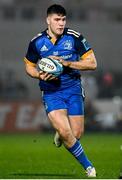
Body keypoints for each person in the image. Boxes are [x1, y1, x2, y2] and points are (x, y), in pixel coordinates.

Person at [24, 4, 97, 177]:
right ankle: (89, 167)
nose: (61, 23)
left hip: (73, 89)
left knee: (76, 134)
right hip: (51, 92)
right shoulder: (36, 42)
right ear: (48, 20)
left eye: (63, 19)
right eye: (57, 19)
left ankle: (60, 134)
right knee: (66, 133)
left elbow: (93, 64)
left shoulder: (75, 38)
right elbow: (29, 66)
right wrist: (39, 75)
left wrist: (68, 63)